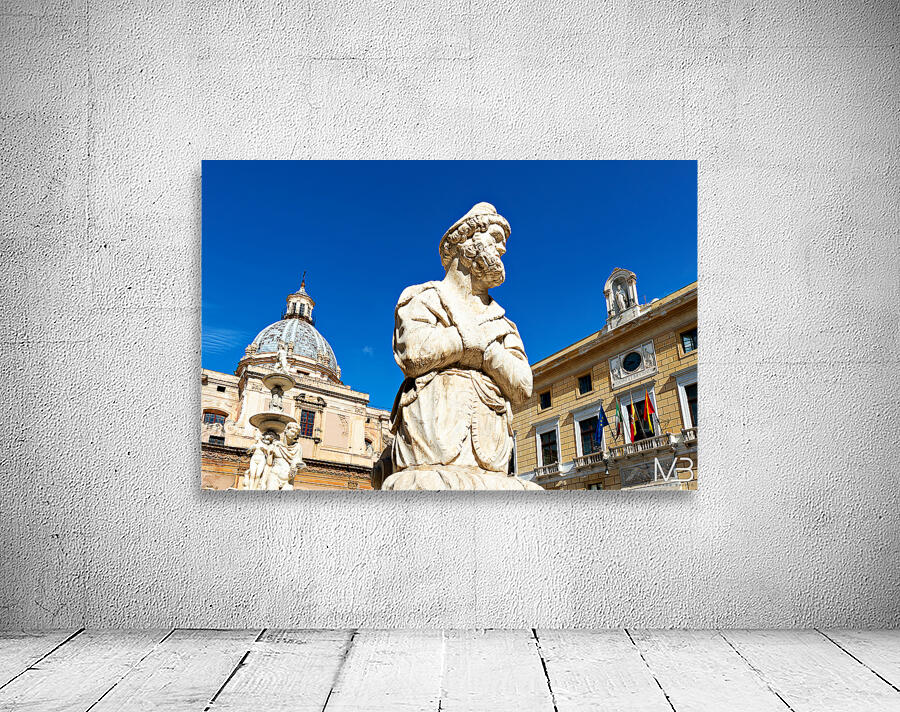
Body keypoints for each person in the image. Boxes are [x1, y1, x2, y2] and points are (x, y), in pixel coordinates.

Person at [383, 202, 542, 490]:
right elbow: (413, 355)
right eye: (495, 239)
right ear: (467, 245)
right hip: (433, 443)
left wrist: (486, 353)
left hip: (491, 454)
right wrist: (471, 342)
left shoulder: (504, 321)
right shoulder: (423, 298)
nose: (502, 250)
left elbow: (523, 386)